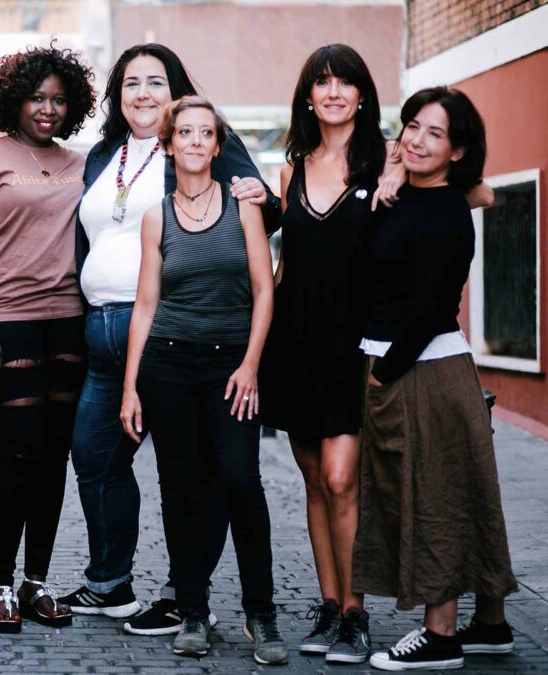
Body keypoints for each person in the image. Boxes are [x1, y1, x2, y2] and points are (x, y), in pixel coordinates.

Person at [256, 45, 497, 664]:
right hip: (296, 342)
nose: (333, 92)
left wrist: (394, 180)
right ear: (308, 96)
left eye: (345, 82)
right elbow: (287, 267)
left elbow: (480, 194)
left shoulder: (389, 156)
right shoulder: (292, 169)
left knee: (344, 480)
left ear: (363, 94)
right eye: (321, 82)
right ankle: (331, 606)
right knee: (314, 481)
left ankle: (358, 613)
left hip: (353, 345)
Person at [57, 42, 280, 635]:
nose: (144, 93)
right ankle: (110, 582)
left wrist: (266, 196)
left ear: (175, 90)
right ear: (118, 95)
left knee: (193, 474)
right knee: (96, 456)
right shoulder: (105, 152)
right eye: (132, 83)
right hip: (103, 331)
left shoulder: (197, 141)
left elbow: (260, 208)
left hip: (171, 329)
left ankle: (186, 597)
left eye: (156, 82)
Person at [120, 97, 287, 665]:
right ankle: (191, 609)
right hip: (168, 365)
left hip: (230, 366)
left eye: (205, 133)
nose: (194, 140)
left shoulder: (244, 209)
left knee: (241, 482)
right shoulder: (154, 216)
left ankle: (261, 617)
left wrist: (250, 365)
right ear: (168, 145)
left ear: (217, 146)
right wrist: (129, 387)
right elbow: (146, 304)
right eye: (183, 132)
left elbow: (265, 292)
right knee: (181, 489)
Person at [356, 87, 517, 672]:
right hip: (410, 362)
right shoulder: (402, 195)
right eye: (412, 127)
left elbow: (430, 306)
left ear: (457, 150)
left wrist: (385, 374)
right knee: (465, 490)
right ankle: (491, 626)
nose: (417, 140)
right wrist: (392, 178)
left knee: (434, 498)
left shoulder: (448, 211)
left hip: (421, 366)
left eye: (435, 133)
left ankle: (441, 635)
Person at [0, 43, 95, 633]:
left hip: (70, 319)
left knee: (56, 456)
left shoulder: (83, 162)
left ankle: (37, 583)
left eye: (59, 100)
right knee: (17, 453)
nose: (48, 109)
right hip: (7, 320)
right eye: (38, 97)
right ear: (14, 99)